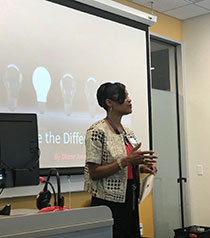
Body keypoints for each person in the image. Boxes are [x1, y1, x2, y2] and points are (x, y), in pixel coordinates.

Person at [84, 82, 157, 238]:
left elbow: (129, 165)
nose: (129, 100)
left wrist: (143, 167)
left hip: (130, 198)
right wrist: (125, 161)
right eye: (123, 97)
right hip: (108, 203)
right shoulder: (96, 131)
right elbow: (94, 173)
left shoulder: (128, 132)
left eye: (128, 95)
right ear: (109, 102)